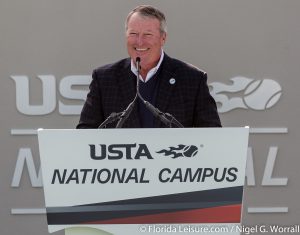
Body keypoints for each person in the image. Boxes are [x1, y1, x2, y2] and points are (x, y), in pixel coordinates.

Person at [77, 5, 221, 128]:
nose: (140, 42)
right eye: (133, 33)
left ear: (163, 38)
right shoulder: (104, 79)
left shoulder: (192, 79)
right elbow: (85, 132)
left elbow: (212, 134)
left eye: (147, 34)